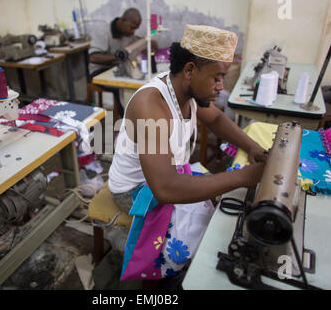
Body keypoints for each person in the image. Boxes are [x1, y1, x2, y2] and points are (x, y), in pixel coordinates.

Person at [107, 24, 267, 282]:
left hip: (168, 174)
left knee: (219, 209)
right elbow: (165, 189)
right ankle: (162, 283)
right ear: (190, 70)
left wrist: (252, 147)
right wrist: (244, 177)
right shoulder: (151, 106)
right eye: (217, 77)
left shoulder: (187, 93)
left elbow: (216, 120)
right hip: (136, 189)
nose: (220, 86)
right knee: (202, 233)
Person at [88, 8, 157, 117]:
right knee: (122, 89)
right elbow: (93, 57)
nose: (133, 31)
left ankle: (139, 117)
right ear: (123, 20)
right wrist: (119, 56)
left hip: (116, 69)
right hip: (98, 71)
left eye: (135, 29)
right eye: (132, 28)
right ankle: (125, 121)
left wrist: (150, 43)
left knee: (140, 84)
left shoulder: (128, 33)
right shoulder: (103, 32)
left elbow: (138, 43)